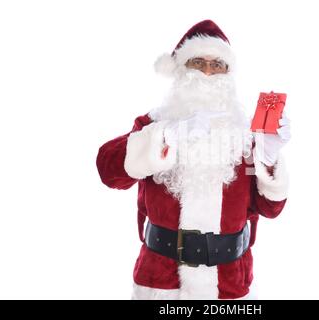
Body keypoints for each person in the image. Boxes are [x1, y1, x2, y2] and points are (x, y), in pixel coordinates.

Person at [96, 19, 290, 300]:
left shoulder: (245, 135)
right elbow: (108, 170)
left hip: (229, 286)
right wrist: (166, 137)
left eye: (217, 65)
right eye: (197, 63)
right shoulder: (155, 124)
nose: (207, 73)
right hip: (161, 284)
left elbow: (270, 209)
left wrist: (269, 157)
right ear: (181, 70)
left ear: (228, 74)